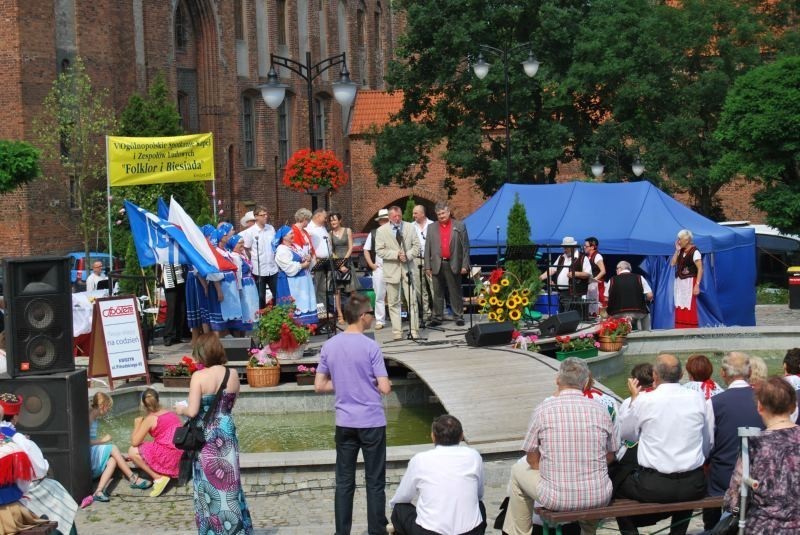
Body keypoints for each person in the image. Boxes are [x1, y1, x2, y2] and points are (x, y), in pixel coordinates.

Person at [502, 357, 617, 535]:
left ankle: (519, 532)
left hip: (557, 498)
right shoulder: (600, 410)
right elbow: (610, 455)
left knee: (518, 472)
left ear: (558, 380)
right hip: (599, 495)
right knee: (593, 483)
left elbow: (532, 460)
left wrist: (555, 468)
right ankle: (588, 532)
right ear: (586, 382)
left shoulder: (543, 409)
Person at [314, 293, 391, 535]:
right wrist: (366, 384)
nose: (371, 317)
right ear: (361, 316)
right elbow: (385, 387)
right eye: (370, 313)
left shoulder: (329, 345)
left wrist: (345, 383)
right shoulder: (371, 346)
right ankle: (377, 531)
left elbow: (319, 385)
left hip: (345, 422)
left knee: (344, 482)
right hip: (371, 422)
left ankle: (342, 532)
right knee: (375, 481)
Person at [615, 354, 712, 535]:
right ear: (681, 374)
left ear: (655, 375)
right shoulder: (697, 398)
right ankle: (678, 532)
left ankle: (630, 532)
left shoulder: (644, 400)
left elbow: (627, 435)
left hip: (654, 485)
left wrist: (634, 399)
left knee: (616, 481)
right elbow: (707, 443)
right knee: (684, 487)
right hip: (693, 483)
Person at [174, 333, 253, 535]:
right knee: (229, 482)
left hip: (206, 436)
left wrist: (180, 409)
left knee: (207, 485)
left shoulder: (198, 377)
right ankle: (236, 528)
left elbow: (192, 411)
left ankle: (213, 529)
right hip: (226, 431)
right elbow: (231, 403)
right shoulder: (233, 374)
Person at [723, 376, 800, 533]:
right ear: (793, 407)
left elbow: (734, 499)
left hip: (764, 527)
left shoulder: (754, 443)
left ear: (760, 407)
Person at [390, 414, 486, 535]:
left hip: (430, 532)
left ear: (433, 437)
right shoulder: (474, 456)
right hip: (471, 532)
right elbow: (479, 494)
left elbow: (402, 497)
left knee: (399, 509)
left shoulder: (420, 459)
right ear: (461, 436)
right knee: (480, 505)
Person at [702, 352, 763, 530]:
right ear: (750, 371)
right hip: (761, 475)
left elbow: (707, 446)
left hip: (723, 479)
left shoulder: (713, 403)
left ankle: (713, 528)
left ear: (722, 373)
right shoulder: (765, 399)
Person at [0, 394, 78, 534]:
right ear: (16, 417)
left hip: (13, 495)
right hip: (14, 499)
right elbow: (37, 471)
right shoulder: (16, 443)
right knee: (58, 494)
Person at [89, 392, 152, 501]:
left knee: (113, 460)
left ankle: (98, 491)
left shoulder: (94, 417)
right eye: (108, 408)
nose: (108, 411)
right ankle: (133, 478)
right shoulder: (89, 417)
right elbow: (82, 441)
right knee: (112, 447)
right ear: (103, 406)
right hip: (87, 455)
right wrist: (102, 440)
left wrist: (119, 455)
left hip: (92, 455)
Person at [128, 388, 183, 498]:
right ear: (158, 400)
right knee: (149, 447)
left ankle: (158, 478)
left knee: (132, 451)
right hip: (181, 455)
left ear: (144, 405)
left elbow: (135, 442)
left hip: (170, 458)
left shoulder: (150, 418)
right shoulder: (170, 413)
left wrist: (137, 425)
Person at [377, 205, 421, 341]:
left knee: (412, 301)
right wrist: (396, 254)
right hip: (392, 269)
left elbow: (417, 246)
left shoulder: (409, 227)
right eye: (395, 216)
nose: (397, 219)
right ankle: (397, 331)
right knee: (393, 302)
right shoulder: (381, 231)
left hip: (408, 267)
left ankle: (414, 330)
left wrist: (407, 255)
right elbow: (379, 250)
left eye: (399, 216)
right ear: (389, 217)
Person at [424, 201, 470, 327]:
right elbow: (427, 247)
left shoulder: (459, 226)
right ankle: (437, 317)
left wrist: (465, 265)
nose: (441, 216)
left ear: (448, 212)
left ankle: (458, 316)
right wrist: (427, 266)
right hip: (437, 264)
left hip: (453, 263)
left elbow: (465, 247)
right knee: (437, 293)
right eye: (438, 214)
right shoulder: (431, 227)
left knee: (455, 291)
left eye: (443, 213)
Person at [273, 225, 319, 325]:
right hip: (291, 282)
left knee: (304, 302)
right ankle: (295, 329)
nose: (293, 235)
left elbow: (303, 257)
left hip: (302, 281)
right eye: (291, 234)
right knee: (296, 305)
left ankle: (304, 328)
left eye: (293, 233)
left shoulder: (295, 246)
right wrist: (303, 265)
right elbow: (288, 267)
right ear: (284, 236)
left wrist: (307, 258)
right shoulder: (281, 250)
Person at [540, 237, 591, 316]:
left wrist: (575, 273)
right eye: (564, 247)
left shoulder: (582, 258)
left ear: (572, 247)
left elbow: (588, 274)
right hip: (561, 292)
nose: (564, 249)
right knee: (562, 315)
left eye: (566, 248)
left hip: (573, 292)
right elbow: (552, 269)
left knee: (568, 316)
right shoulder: (561, 257)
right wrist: (540, 278)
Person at [239, 206, 278, 309]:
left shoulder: (271, 228)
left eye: (266, 214)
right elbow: (246, 248)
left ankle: (277, 316)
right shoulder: (250, 232)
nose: (266, 217)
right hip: (258, 269)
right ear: (256, 217)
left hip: (272, 268)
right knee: (261, 297)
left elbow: (274, 245)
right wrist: (253, 260)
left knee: (277, 295)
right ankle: (262, 319)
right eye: (263, 215)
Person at [604, 261, 653, 331]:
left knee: (607, 315)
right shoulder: (640, 277)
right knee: (646, 313)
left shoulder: (612, 280)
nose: (616, 271)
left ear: (620, 268)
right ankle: (646, 334)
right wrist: (646, 301)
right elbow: (650, 295)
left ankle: (612, 335)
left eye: (616, 269)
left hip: (617, 313)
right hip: (638, 312)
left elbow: (606, 299)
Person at [364, 209, 391, 330]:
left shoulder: (395, 232)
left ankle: (397, 319)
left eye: (386, 220)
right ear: (379, 222)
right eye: (382, 220)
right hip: (379, 267)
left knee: (395, 295)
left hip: (393, 266)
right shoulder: (373, 233)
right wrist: (371, 264)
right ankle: (380, 320)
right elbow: (366, 250)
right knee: (379, 295)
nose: (384, 222)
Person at [670, 229, 703, 328]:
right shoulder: (681, 251)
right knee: (679, 303)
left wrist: (697, 285)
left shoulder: (695, 251)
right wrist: (677, 250)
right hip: (680, 282)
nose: (678, 241)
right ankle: (680, 327)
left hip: (690, 282)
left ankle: (690, 328)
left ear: (687, 240)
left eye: (680, 239)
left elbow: (700, 269)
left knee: (689, 304)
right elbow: (672, 263)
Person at [227, 234, 259, 333]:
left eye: (242, 242)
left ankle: (253, 329)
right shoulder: (235, 256)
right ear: (233, 245)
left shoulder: (242, 254)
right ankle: (246, 331)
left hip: (250, 285)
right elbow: (238, 274)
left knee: (252, 306)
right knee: (247, 306)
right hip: (244, 286)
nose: (242, 245)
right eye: (239, 243)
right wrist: (238, 288)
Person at [329, 212, 356, 325]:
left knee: (352, 289)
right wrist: (339, 265)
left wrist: (344, 261)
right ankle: (340, 314)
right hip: (336, 263)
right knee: (337, 291)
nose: (333, 222)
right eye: (331, 220)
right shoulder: (329, 233)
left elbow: (351, 247)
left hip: (347, 260)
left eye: (334, 220)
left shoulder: (347, 230)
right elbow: (331, 250)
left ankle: (352, 313)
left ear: (340, 220)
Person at [411, 205, 434, 323]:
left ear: (422, 214)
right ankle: (426, 312)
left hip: (430, 259)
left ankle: (438, 313)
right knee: (420, 288)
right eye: (413, 213)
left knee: (434, 286)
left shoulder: (432, 225)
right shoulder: (410, 227)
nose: (413, 215)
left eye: (415, 213)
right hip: (416, 259)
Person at [307, 208, 332, 311]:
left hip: (326, 261)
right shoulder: (309, 229)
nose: (326, 220)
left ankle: (323, 313)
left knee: (323, 289)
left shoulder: (323, 228)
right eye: (324, 217)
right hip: (316, 262)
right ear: (317, 216)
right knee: (315, 289)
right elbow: (308, 247)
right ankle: (316, 313)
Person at [158, 262, 186, 346]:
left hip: (180, 280)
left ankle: (177, 335)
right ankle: (168, 336)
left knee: (181, 309)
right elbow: (158, 265)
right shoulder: (163, 252)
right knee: (171, 309)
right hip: (168, 281)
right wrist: (159, 277)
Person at [583, 237, 606, 317]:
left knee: (597, 304)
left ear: (592, 247)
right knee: (591, 305)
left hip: (597, 285)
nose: (584, 247)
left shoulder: (597, 256)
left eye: (586, 246)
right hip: (590, 285)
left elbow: (603, 271)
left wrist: (595, 279)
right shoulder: (587, 256)